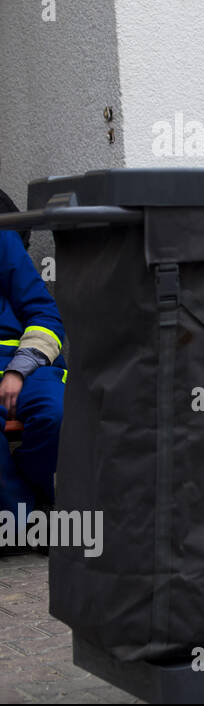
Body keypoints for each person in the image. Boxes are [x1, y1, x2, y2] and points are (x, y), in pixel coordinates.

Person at [0, 230, 65, 539]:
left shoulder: (3, 240)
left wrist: (17, 371)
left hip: (26, 362)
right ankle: (20, 521)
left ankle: (38, 496)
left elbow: (45, 314)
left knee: (54, 413)